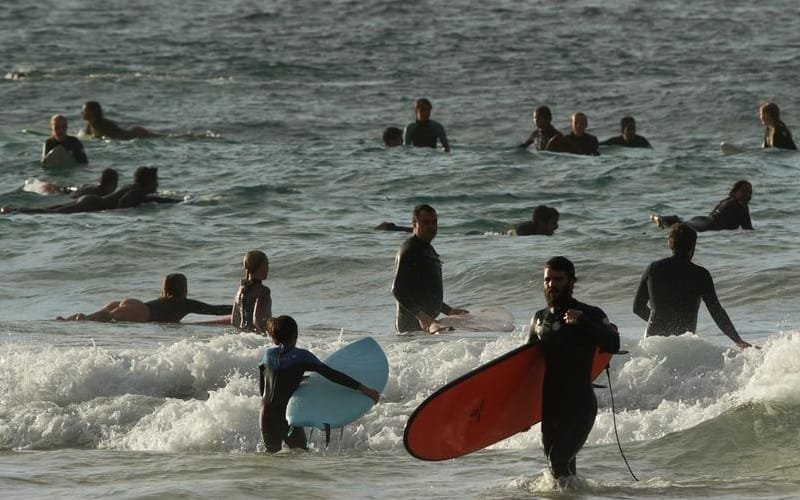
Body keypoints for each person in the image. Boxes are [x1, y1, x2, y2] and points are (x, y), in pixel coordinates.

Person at [527, 256, 620, 485]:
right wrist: (522, 415)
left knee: (557, 460)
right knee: (560, 467)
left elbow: (613, 343)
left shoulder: (590, 314)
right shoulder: (539, 319)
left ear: (571, 281)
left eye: (558, 279)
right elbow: (528, 367)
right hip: (551, 407)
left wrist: (584, 324)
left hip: (579, 405)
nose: (552, 285)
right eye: (548, 279)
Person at [258, 315, 381, 453]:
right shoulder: (301, 356)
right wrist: (365, 389)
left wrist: (293, 381)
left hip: (266, 415)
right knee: (300, 454)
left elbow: (263, 389)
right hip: (286, 416)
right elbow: (332, 375)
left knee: (272, 459)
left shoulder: (267, 356)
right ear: (295, 334)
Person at [633, 223, 752, 349]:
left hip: (654, 342)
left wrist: (659, 323)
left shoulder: (654, 269)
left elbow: (637, 308)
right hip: (684, 344)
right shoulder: (701, 274)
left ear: (669, 244)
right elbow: (716, 312)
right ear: (692, 246)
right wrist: (738, 341)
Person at [391, 204, 468, 333]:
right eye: (426, 223)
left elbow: (423, 292)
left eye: (434, 222)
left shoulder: (427, 249)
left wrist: (449, 311)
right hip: (410, 329)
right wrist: (420, 316)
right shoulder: (409, 250)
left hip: (426, 325)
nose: (431, 227)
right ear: (414, 224)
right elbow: (397, 290)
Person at [57, 273, 231, 322]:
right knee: (103, 318)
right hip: (142, 313)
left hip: (136, 305)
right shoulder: (184, 303)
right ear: (183, 289)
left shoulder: (164, 301)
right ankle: (78, 318)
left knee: (94, 317)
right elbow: (214, 310)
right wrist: (238, 306)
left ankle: (69, 319)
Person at [2, 166, 179, 214]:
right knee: (49, 213)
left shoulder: (133, 187)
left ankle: (15, 211)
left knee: (48, 211)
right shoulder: (138, 191)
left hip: (91, 201)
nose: (157, 184)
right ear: (148, 181)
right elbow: (124, 203)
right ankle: (14, 212)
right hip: (92, 205)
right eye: (155, 181)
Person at [650, 180, 753, 232]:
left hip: (703, 219)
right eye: (744, 191)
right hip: (708, 225)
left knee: (682, 223)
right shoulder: (741, 206)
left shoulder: (726, 201)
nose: (747, 195)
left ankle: (659, 218)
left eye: (750, 192)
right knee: (684, 227)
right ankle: (661, 219)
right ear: (734, 192)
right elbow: (748, 230)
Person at [232, 250, 272, 333]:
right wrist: (268, 337)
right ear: (260, 266)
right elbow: (257, 320)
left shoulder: (241, 289)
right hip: (258, 339)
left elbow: (234, 321)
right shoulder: (263, 291)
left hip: (243, 337)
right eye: (267, 264)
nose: (268, 268)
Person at [80, 101, 159, 140]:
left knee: (159, 138)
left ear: (93, 111)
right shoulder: (90, 125)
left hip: (134, 134)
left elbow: (112, 138)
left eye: (84, 110)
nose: (82, 113)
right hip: (129, 135)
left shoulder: (102, 125)